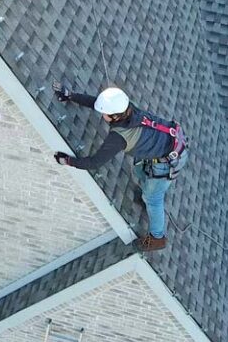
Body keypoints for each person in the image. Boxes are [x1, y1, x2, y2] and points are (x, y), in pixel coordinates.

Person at [51, 83, 187, 251]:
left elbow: (95, 163)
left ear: (114, 117)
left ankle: (157, 238)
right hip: (168, 144)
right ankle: (147, 194)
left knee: (154, 199)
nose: (102, 115)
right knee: (140, 170)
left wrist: (68, 161)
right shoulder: (128, 109)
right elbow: (98, 104)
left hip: (168, 161)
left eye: (105, 114)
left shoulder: (118, 138)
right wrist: (71, 95)